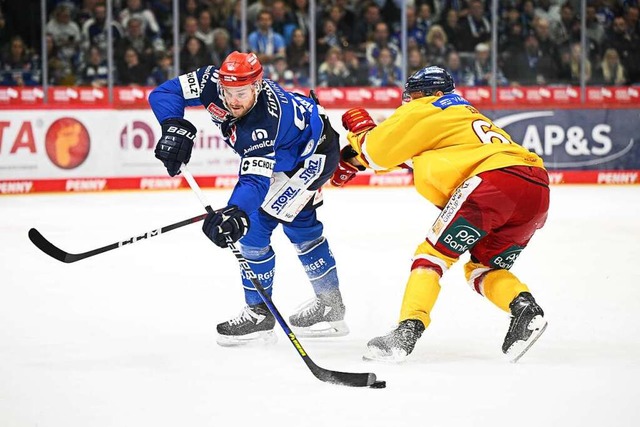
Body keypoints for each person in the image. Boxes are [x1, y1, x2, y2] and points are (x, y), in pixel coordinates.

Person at [332, 66, 549, 363]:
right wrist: (354, 161)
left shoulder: (425, 108)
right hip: (536, 190)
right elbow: (413, 154)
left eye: (416, 93)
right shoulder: (463, 115)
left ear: (435, 93)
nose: (410, 100)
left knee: (431, 256)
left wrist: (359, 131)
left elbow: (378, 151)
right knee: (483, 269)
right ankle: (524, 308)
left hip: (491, 184)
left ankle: (407, 331)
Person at [148, 51, 349, 346]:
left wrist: (235, 212)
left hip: (312, 156)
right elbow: (164, 93)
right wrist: (174, 127)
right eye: (228, 92)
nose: (233, 100)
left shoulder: (264, 120)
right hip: (297, 147)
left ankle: (259, 315)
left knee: (254, 226)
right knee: (299, 224)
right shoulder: (210, 80)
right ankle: (331, 305)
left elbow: (255, 180)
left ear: (258, 86)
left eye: (241, 93)